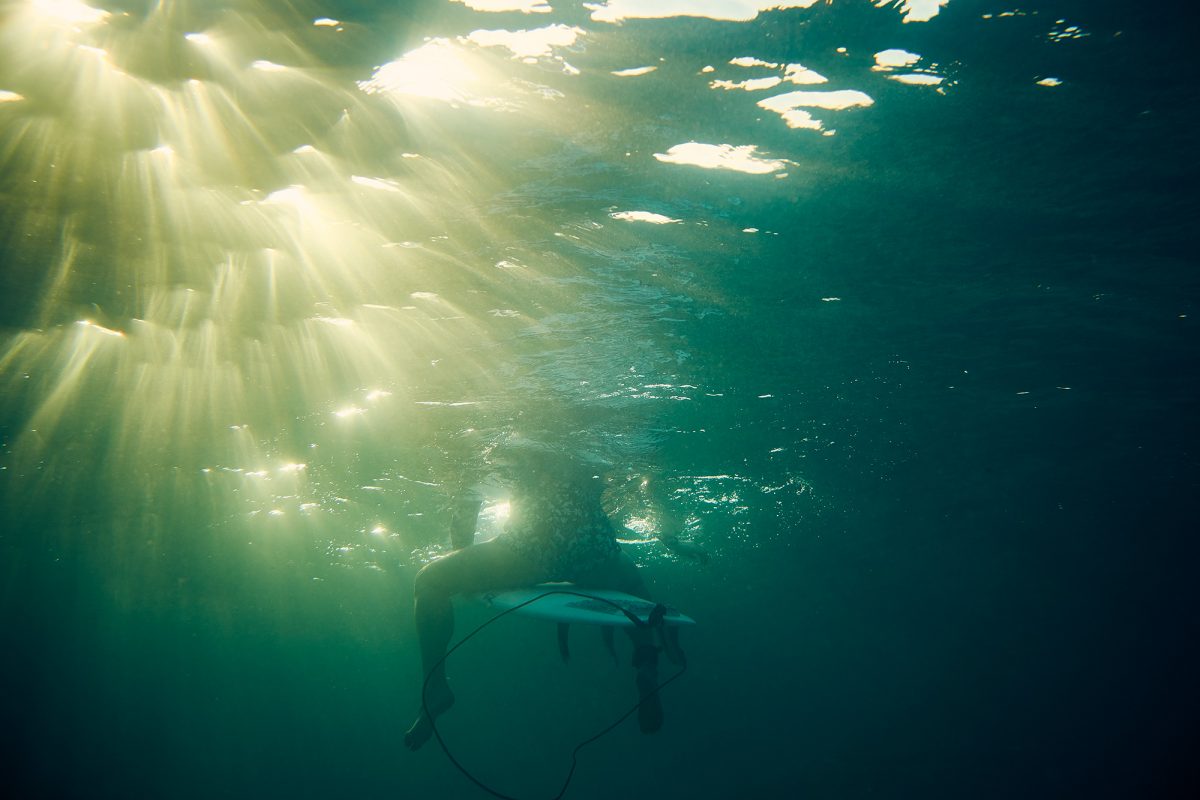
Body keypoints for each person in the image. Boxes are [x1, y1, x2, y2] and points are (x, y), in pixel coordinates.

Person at [403, 440, 668, 751]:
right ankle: (647, 665)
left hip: (529, 546)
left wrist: (466, 562)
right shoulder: (596, 437)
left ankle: (435, 689)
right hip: (592, 546)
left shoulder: (508, 437)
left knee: (430, 581)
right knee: (634, 589)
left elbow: (468, 500)